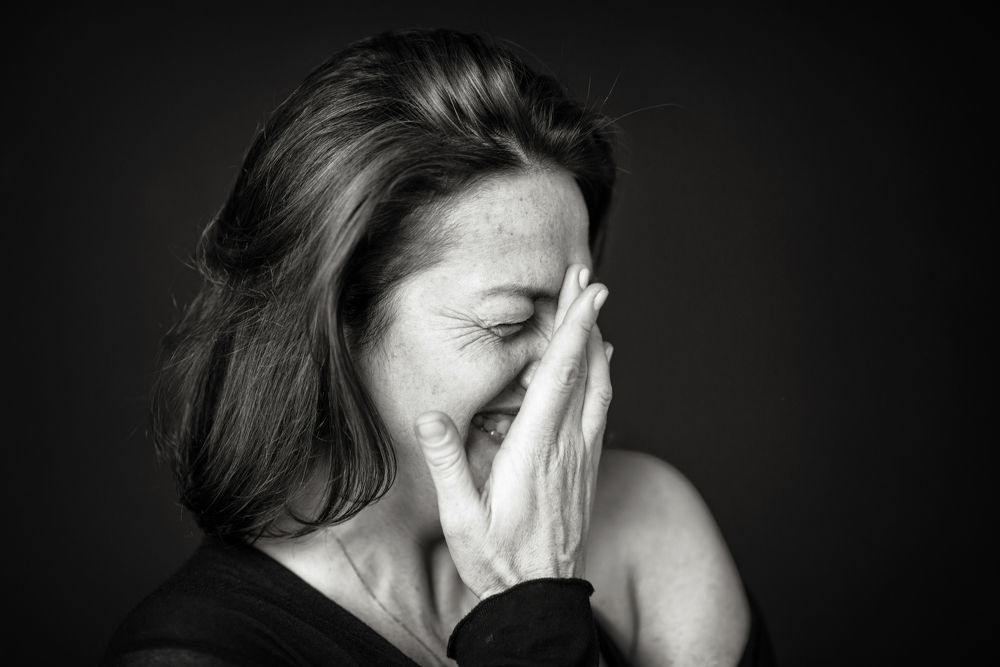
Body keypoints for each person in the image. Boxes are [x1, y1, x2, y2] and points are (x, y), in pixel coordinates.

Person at [105, 28, 774, 666]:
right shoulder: (200, 650)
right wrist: (533, 612)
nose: (563, 369)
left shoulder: (647, 522)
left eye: (576, 315)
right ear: (338, 325)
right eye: (509, 321)